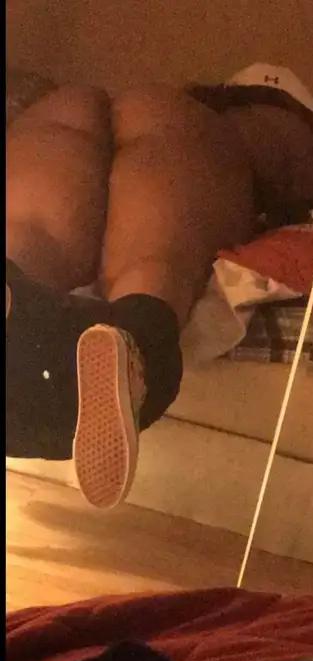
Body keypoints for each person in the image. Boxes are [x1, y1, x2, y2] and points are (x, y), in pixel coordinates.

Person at [6, 84, 255, 509]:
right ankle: (136, 336)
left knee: (32, 231)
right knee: (156, 259)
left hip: (62, 111)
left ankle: (17, 288)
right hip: (183, 117)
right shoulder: (263, 121)